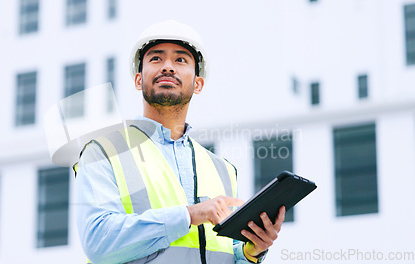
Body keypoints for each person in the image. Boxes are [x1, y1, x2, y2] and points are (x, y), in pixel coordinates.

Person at [75, 20, 285, 264]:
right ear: (138, 80)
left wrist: (251, 252)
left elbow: (228, 253)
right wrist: (189, 216)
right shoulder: (103, 151)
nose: (167, 67)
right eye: (155, 59)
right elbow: (98, 242)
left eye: (180, 60)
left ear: (198, 84)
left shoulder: (223, 170)